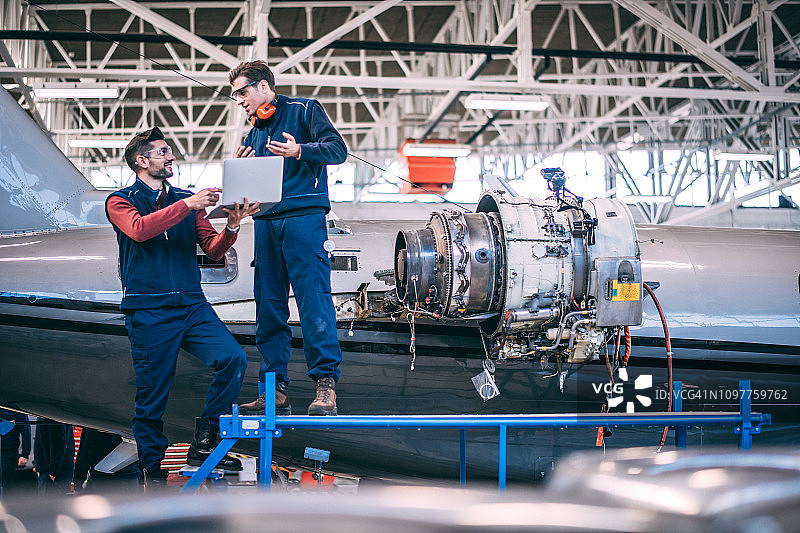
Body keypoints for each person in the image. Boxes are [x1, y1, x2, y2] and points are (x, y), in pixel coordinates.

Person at [105, 127, 259, 489]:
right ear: (141, 161)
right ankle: (152, 471)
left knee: (233, 359)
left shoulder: (187, 201)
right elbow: (140, 230)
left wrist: (233, 227)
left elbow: (213, 250)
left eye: (169, 151)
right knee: (152, 396)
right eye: (162, 152)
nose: (170, 156)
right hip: (149, 310)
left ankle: (204, 440)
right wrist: (188, 205)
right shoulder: (120, 200)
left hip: (192, 305)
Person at [228, 60, 347, 416]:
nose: (239, 101)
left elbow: (338, 151)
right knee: (268, 307)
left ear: (264, 86)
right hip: (266, 222)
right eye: (234, 96)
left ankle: (325, 387)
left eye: (242, 92)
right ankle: (273, 389)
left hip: (303, 219)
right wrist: (240, 171)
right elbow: (254, 189)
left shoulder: (304, 110)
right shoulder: (253, 134)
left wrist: (301, 151)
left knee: (314, 302)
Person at [33, 422, 74, 496]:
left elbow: (58, 443)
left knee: (49, 504)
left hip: (53, 476)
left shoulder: (53, 415)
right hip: (51, 473)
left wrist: (53, 472)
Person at [0, 409, 31, 496]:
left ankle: (5, 507)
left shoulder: (14, 405)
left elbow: (25, 429)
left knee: (6, 485)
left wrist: (25, 454)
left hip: (8, 453)